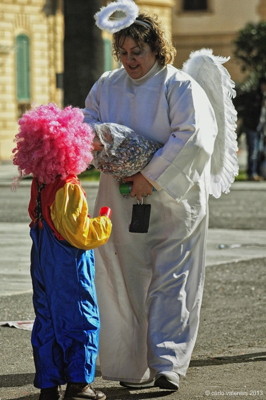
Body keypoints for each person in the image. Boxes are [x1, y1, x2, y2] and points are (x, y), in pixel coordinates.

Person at [83, 1, 237, 392]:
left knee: (174, 280)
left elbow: (194, 137)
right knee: (121, 278)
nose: (131, 60)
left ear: (157, 50)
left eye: (139, 52)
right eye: (124, 52)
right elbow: (88, 121)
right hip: (118, 199)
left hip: (175, 202)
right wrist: (101, 143)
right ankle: (130, 366)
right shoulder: (107, 83)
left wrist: (149, 176)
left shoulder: (178, 84)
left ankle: (168, 363)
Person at [12, 103, 112, 400]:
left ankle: (48, 383)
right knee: (81, 318)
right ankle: (80, 384)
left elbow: (36, 217)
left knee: (48, 320)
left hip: (42, 258)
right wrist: (103, 223)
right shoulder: (68, 187)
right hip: (68, 263)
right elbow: (79, 233)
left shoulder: (41, 184)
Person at [235, 77, 266, 181]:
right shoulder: (255, 96)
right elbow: (248, 110)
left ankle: (256, 172)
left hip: (260, 128)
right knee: (253, 151)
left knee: (259, 150)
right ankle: (251, 173)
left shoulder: (263, 96)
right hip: (252, 127)